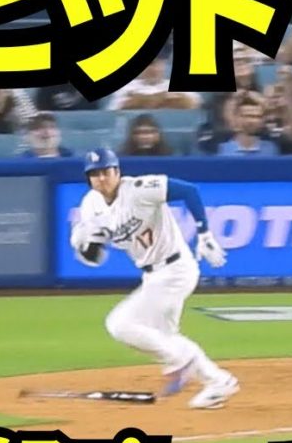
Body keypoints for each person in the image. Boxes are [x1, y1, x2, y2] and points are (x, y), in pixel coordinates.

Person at [69, 148, 240, 409]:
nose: (101, 178)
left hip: (175, 269)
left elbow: (189, 191)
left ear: (117, 171)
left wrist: (204, 234)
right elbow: (95, 254)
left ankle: (180, 362)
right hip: (152, 275)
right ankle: (218, 382)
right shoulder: (91, 205)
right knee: (167, 336)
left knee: (119, 324)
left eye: (106, 171)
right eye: (94, 174)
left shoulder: (139, 189)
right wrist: (86, 246)